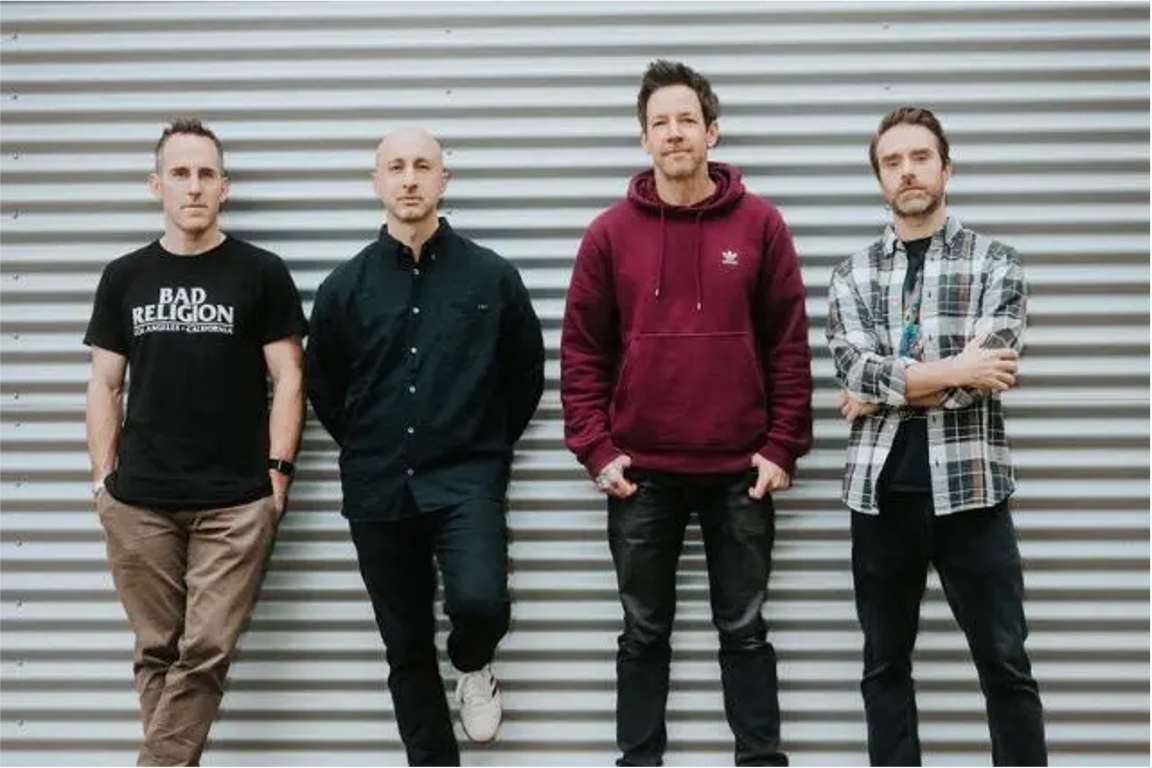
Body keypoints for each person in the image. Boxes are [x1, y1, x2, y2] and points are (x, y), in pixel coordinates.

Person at [560, 60, 813, 768]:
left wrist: (782, 447)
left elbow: (788, 344)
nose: (674, 133)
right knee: (643, 633)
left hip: (739, 471)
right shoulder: (609, 234)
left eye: (687, 121)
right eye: (660, 123)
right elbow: (582, 352)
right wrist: (596, 449)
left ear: (712, 132)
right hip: (641, 473)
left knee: (745, 631)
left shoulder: (761, 225)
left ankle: (760, 761)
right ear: (644, 138)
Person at [305, 127, 545, 767]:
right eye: (395, 167)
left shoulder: (491, 277)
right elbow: (324, 385)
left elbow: (524, 374)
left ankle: (473, 660)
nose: (409, 179)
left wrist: (481, 442)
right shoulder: (343, 288)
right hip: (378, 488)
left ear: (444, 179)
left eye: (422, 166)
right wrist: (369, 442)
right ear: (376, 182)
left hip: (466, 479)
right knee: (406, 646)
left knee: (481, 601)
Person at [825, 106, 1048, 766]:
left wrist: (881, 391)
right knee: (884, 667)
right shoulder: (852, 273)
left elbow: (990, 372)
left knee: (1005, 664)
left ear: (946, 167)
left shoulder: (997, 264)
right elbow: (853, 367)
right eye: (892, 162)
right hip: (881, 500)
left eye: (920, 157)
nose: (907, 171)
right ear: (879, 179)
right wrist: (952, 369)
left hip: (973, 496)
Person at [83, 117, 307, 767]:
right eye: (180, 173)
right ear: (156, 185)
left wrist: (277, 474)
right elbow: (104, 383)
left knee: (205, 650)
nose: (194, 186)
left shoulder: (260, 272)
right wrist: (102, 481)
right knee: (157, 652)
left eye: (207, 174)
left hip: (235, 501)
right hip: (139, 500)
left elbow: (290, 377)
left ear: (224, 187)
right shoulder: (124, 276)